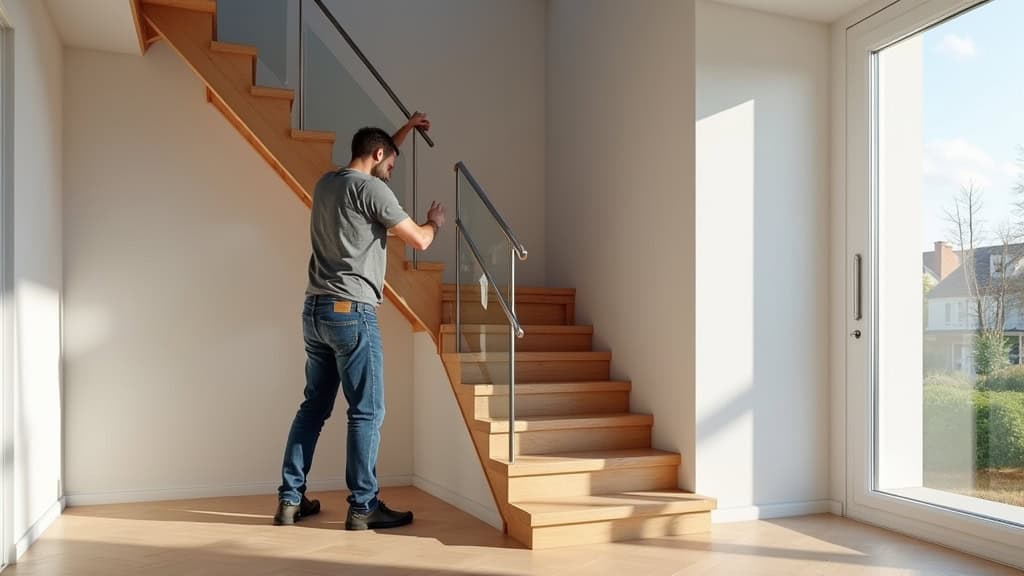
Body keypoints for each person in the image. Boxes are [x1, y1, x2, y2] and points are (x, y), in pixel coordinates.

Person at [274, 113, 445, 530]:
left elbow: (377, 158)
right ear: (378, 155)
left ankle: (289, 501)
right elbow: (420, 240)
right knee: (367, 411)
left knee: (313, 408)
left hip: (315, 310)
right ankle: (363, 506)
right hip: (351, 313)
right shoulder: (372, 191)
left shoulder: (327, 184)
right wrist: (434, 223)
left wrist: (405, 128)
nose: (391, 174)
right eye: (391, 165)